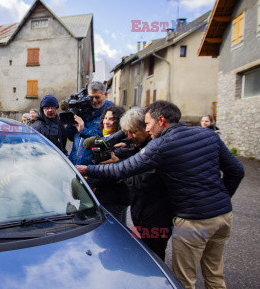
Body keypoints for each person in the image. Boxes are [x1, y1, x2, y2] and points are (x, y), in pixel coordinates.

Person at [76, 100, 245, 289]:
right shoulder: (207, 134)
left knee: (184, 281)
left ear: (161, 120)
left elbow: (122, 170)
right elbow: (237, 171)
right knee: (214, 274)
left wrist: (86, 169)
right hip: (223, 217)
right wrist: (220, 199)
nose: (147, 130)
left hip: (193, 220)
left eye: (148, 124)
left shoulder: (162, 144)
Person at [95, 107, 174, 260]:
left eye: (133, 132)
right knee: (144, 252)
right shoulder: (141, 146)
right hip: (143, 214)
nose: (129, 137)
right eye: (127, 133)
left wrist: (120, 165)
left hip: (155, 216)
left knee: (153, 257)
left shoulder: (154, 150)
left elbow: (141, 181)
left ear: (145, 128)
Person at [83, 106, 130, 224]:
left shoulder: (123, 142)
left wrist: (91, 175)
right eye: (105, 118)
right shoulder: (105, 139)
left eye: (111, 119)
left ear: (119, 122)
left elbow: (120, 171)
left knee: (115, 230)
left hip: (114, 196)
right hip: (105, 193)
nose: (106, 122)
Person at [66, 81, 114, 165]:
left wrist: (83, 130)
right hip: (74, 163)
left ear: (105, 94)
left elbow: (105, 138)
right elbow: (70, 137)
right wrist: (71, 123)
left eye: (97, 97)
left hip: (92, 167)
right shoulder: (83, 110)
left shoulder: (110, 113)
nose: (94, 101)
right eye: (91, 98)